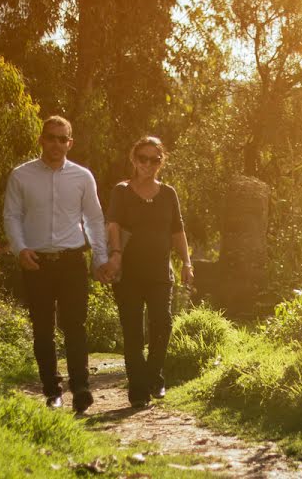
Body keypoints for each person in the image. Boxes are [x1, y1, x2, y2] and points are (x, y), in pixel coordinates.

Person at [3, 116, 110, 413]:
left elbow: (94, 219)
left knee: (75, 326)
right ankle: (52, 390)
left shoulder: (82, 177)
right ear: (41, 139)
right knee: (43, 329)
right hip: (36, 262)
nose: (56, 144)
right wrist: (19, 249)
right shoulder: (21, 176)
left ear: (70, 143)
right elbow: (12, 215)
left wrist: (99, 257)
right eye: (51, 137)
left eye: (63, 139)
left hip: (72, 260)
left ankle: (81, 388)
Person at [102, 135, 194, 408]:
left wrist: (187, 262)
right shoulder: (122, 191)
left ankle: (154, 375)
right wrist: (116, 256)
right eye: (143, 158)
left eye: (155, 159)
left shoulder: (168, 194)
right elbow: (113, 225)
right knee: (132, 332)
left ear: (161, 161)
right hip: (128, 274)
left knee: (162, 323)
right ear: (134, 159)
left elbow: (177, 231)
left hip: (159, 273)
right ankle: (138, 390)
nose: (148, 164)